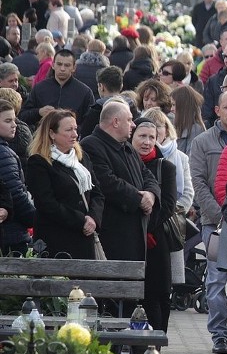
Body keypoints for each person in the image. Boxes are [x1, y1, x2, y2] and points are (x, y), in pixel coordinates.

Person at [189, 90, 227, 354]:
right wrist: (221, 213)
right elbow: (198, 182)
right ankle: (219, 334)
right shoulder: (202, 141)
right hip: (214, 221)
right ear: (218, 110)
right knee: (215, 279)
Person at [79, 100, 161, 263]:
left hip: (135, 233)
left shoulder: (127, 146)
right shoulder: (90, 145)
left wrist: (151, 195)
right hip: (113, 234)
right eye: (129, 120)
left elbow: (147, 174)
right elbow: (106, 182)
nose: (133, 125)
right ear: (115, 122)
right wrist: (139, 199)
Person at [27, 109, 104, 260]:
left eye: (75, 129)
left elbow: (97, 193)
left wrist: (93, 218)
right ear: (52, 134)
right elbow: (46, 203)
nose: (75, 134)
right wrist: (81, 220)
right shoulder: (39, 162)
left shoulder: (81, 158)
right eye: (69, 130)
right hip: (56, 239)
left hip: (84, 238)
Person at [130, 118, 176, 333]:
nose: (147, 142)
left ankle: (156, 346)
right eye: (142, 136)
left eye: (152, 137)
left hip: (156, 240)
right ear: (132, 137)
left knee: (159, 295)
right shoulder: (125, 162)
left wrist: (146, 228)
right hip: (128, 238)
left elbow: (168, 205)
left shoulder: (165, 167)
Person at [20, 49, 95, 130]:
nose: (62, 69)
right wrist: (39, 112)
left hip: (72, 139)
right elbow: (22, 116)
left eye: (67, 65)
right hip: (43, 138)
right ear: (53, 65)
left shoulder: (84, 92)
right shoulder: (39, 88)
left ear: (74, 67)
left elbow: (90, 123)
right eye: (59, 64)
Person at [0, 99, 36, 255]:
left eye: (14, 120)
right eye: (8, 121)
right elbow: (14, 193)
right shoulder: (3, 153)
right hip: (10, 233)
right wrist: (33, 218)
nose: (14, 125)